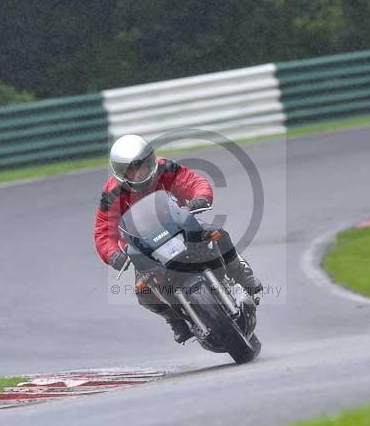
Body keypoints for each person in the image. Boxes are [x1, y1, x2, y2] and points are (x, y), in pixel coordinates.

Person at [94, 134, 262, 343]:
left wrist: (200, 197)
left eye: (143, 166)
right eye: (132, 169)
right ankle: (176, 320)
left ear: (151, 161)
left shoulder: (166, 168)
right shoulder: (112, 194)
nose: (139, 173)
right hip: (145, 245)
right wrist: (114, 255)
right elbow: (104, 230)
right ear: (121, 173)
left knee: (217, 234)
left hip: (180, 224)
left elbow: (191, 181)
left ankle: (242, 275)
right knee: (143, 290)